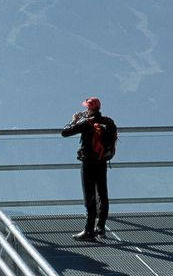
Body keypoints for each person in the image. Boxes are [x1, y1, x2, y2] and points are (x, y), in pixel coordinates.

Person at [61, 97, 116, 241]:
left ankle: (89, 230)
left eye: (87, 107)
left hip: (88, 163)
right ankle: (101, 228)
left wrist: (74, 120)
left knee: (90, 196)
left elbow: (65, 132)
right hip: (102, 162)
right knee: (103, 194)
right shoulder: (109, 122)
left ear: (90, 109)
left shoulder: (86, 123)